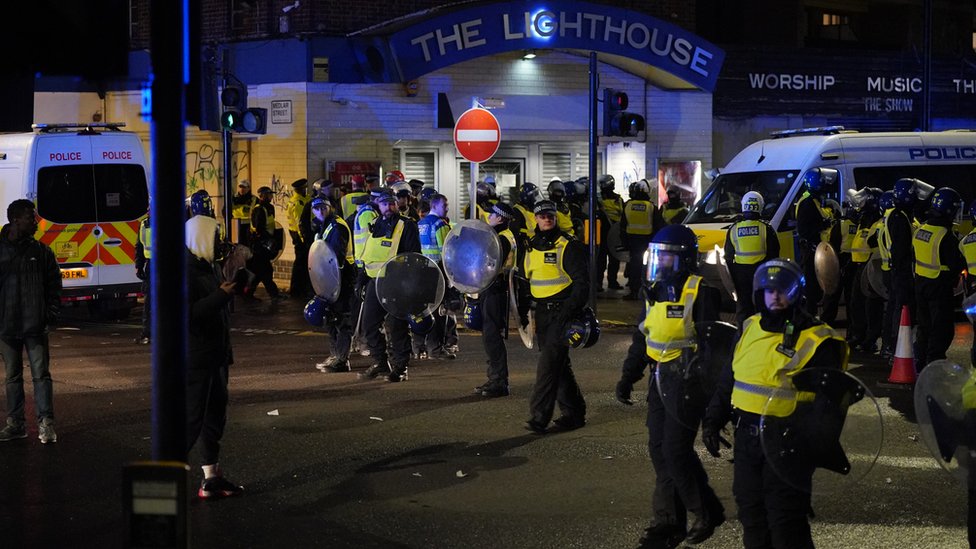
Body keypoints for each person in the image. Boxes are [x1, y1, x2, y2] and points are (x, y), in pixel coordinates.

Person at [702, 258, 848, 548]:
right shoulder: (749, 327)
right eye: (769, 290)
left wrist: (811, 447)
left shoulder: (819, 340)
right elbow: (729, 378)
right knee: (752, 517)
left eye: (782, 290)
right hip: (747, 439)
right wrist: (712, 419)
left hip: (789, 444)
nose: (775, 296)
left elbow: (830, 406)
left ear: (796, 293)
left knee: (786, 525)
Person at [613, 224, 725, 548]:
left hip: (687, 381)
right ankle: (668, 522)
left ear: (685, 261)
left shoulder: (701, 291)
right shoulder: (652, 292)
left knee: (675, 451)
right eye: (658, 258)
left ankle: (703, 511)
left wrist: (710, 394)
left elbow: (713, 345)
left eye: (669, 260)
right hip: (659, 377)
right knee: (659, 450)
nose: (661, 265)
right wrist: (628, 375)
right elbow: (642, 337)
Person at [185, 210, 244, 499]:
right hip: (196, 358)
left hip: (215, 355)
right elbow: (187, 315)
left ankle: (211, 477)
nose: (220, 241)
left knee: (214, 417)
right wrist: (221, 295)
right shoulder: (184, 271)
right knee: (191, 420)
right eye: (216, 236)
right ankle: (165, 482)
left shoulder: (206, 266)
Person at [518, 199, 589, 434]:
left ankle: (539, 417)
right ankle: (574, 413)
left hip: (562, 312)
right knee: (559, 365)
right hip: (542, 313)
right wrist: (523, 312)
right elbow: (524, 282)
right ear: (535, 219)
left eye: (550, 215)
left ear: (556, 217)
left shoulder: (568, 245)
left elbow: (582, 284)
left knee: (548, 366)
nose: (546, 219)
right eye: (541, 216)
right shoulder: (530, 247)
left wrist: (568, 313)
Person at [0, 199, 62, 443]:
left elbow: (54, 285)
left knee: (41, 376)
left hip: (34, 325)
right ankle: (16, 424)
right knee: (12, 377)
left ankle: (46, 424)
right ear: (15, 219)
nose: (35, 222)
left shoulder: (42, 251)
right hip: (7, 326)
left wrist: (50, 313)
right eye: (30, 217)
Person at [356, 188, 422, 382]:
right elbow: (368, 255)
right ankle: (380, 362)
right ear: (378, 205)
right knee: (369, 325)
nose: (389, 207)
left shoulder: (407, 225)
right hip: (375, 282)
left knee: (397, 326)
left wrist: (409, 285)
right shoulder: (375, 224)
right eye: (385, 204)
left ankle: (401, 368)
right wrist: (361, 280)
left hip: (396, 284)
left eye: (392, 203)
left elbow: (413, 256)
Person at [913, 187, 965, 369]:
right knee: (941, 328)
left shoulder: (921, 229)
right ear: (949, 210)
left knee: (924, 326)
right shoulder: (946, 235)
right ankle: (934, 363)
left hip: (920, 283)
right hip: (939, 286)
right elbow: (957, 264)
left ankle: (919, 360)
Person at [310, 196, 356, 373]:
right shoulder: (324, 225)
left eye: (324, 208)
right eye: (317, 208)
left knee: (341, 318)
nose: (321, 211)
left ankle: (342, 359)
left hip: (340, 278)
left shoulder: (337, 226)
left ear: (330, 208)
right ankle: (335, 354)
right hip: (329, 278)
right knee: (330, 318)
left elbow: (336, 256)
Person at [474, 202, 516, 398]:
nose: (489, 217)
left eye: (492, 215)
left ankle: (499, 381)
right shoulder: (503, 236)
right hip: (494, 288)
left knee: (492, 336)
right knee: (490, 335)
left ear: (499, 218)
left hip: (495, 289)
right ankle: (494, 378)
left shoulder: (501, 238)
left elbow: (491, 264)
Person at [724, 191, 779, 326]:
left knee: (743, 307)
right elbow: (774, 252)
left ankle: (742, 335)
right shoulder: (766, 228)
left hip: (740, 274)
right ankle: (763, 331)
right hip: (761, 272)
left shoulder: (734, 228)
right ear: (760, 206)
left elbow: (728, 255)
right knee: (763, 305)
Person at [416, 193, 455, 360]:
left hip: (422, 271)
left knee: (422, 311)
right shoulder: (440, 225)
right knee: (439, 312)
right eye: (444, 205)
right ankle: (436, 349)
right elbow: (447, 252)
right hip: (438, 272)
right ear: (435, 206)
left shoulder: (420, 224)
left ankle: (418, 347)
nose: (447, 208)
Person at [885, 178, 920, 359]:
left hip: (898, 269)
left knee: (897, 306)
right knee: (901, 307)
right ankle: (896, 347)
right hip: (902, 271)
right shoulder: (899, 218)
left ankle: (894, 346)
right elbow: (902, 247)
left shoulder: (898, 214)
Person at [794, 167, 836, 316]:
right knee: (812, 286)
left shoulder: (813, 200)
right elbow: (805, 229)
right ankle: (810, 316)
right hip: (812, 249)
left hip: (817, 248)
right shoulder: (807, 202)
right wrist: (823, 225)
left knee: (818, 285)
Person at [621, 179, 659, 300]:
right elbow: (658, 226)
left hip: (632, 241)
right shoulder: (651, 207)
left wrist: (624, 242)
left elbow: (622, 226)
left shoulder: (628, 205)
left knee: (634, 267)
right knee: (649, 268)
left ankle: (634, 292)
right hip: (648, 242)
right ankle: (648, 292)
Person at [245, 186, 284, 300]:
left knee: (258, 272)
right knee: (266, 271)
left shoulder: (269, 208)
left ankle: (248, 293)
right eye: (269, 194)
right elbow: (259, 229)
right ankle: (274, 294)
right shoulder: (259, 209)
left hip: (265, 245)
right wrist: (267, 240)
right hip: (259, 245)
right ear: (263, 196)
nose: (271, 196)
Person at [598, 174, 625, 291]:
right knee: (601, 260)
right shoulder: (598, 200)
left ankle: (612, 282)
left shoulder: (618, 199)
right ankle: (598, 283)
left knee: (614, 259)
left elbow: (623, 215)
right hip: (602, 231)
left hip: (614, 231)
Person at [287, 178, 312, 299]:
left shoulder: (303, 199)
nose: (306, 190)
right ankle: (297, 290)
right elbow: (300, 222)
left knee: (301, 263)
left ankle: (299, 289)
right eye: (304, 188)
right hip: (300, 237)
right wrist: (304, 239)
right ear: (300, 189)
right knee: (300, 264)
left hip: (299, 236)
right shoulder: (298, 203)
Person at [134, 207, 153, 345]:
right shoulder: (171, 222)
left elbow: (139, 247)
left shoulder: (145, 224)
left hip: (152, 266)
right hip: (162, 266)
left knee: (150, 303)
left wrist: (139, 266)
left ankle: (147, 334)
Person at [231, 180, 257, 245]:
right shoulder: (232, 198)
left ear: (248, 188)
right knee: (235, 246)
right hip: (235, 225)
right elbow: (225, 211)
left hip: (248, 227)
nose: (242, 189)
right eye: (240, 187)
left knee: (247, 246)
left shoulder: (254, 199)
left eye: (244, 187)